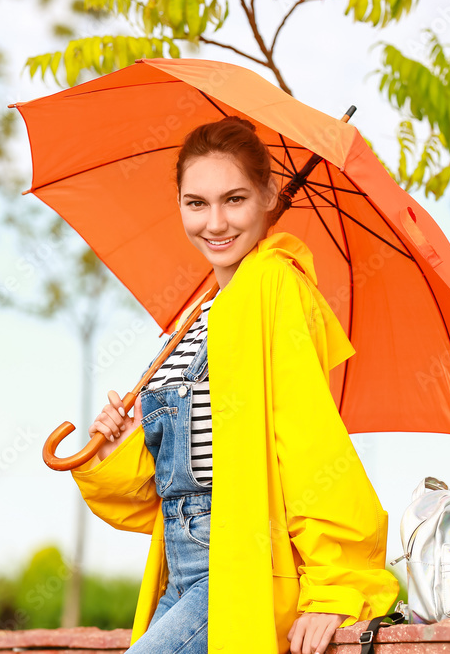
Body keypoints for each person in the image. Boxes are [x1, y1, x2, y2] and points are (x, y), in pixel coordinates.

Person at [71, 116, 399, 654]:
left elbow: (310, 440)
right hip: (179, 573)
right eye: (196, 203)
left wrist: (334, 585)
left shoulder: (273, 287)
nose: (215, 222)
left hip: (237, 567)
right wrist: (121, 445)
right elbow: (162, 497)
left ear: (270, 196)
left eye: (235, 199)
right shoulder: (199, 316)